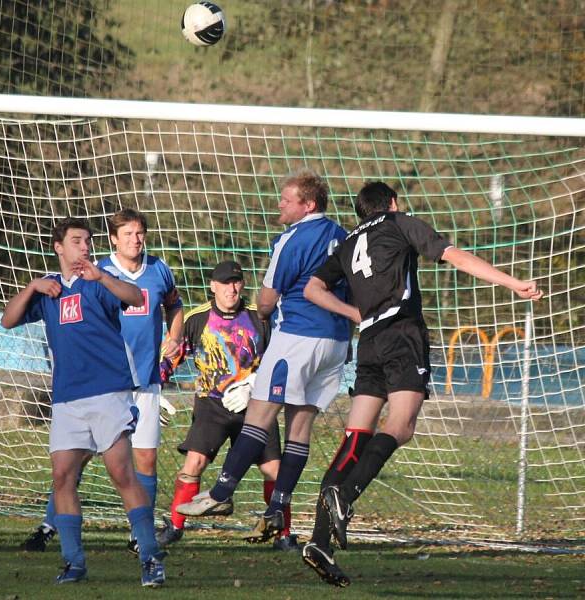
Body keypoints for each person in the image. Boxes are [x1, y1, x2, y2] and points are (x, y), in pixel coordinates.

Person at [301, 181, 543, 587]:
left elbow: (311, 287)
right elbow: (455, 257)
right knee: (402, 425)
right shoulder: (399, 223)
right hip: (402, 335)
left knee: (355, 438)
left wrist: (354, 313)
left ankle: (319, 540)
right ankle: (345, 495)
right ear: (392, 204)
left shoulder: (347, 243)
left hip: (371, 341)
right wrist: (512, 283)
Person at [176, 169, 350, 547]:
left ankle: (219, 494)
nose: (280, 204)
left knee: (258, 414)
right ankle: (277, 507)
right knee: (300, 427)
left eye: (287, 199)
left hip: (299, 336)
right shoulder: (343, 236)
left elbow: (267, 300)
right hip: (336, 341)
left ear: (309, 205)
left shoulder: (291, 239)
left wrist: (267, 313)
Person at [1, 217, 166, 587]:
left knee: (122, 473)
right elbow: (8, 320)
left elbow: (136, 297)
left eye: (88, 241)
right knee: (62, 476)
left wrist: (102, 277)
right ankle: (74, 562)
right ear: (59, 247)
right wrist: (31, 287)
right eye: (77, 241)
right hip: (67, 398)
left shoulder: (99, 281)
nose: (85, 247)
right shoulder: (49, 290)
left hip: (108, 391)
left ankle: (151, 557)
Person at [155, 260, 297, 551]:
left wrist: (255, 383)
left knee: (274, 470)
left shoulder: (262, 317)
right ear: (212, 286)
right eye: (224, 283)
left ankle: (283, 535)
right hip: (212, 404)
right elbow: (171, 354)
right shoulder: (197, 319)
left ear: (243, 285)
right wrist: (154, 387)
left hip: (257, 405)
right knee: (194, 463)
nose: (231, 289)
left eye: (236, 282)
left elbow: (281, 359)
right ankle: (175, 527)